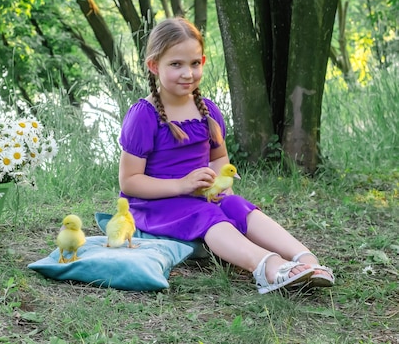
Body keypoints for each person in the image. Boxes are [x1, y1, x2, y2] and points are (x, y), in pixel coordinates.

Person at [118, 17, 334, 294]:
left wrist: (224, 185)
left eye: (195, 63)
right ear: (153, 65)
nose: (188, 73)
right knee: (206, 214)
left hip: (198, 196)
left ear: (203, 62)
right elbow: (130, 181)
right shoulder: (144, 116)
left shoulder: (207, 111)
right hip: (155, 204)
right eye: (176, 64)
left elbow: (220, 158)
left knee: (238, 206)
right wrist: (181, 185)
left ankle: (306, 259)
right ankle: (268, 268)